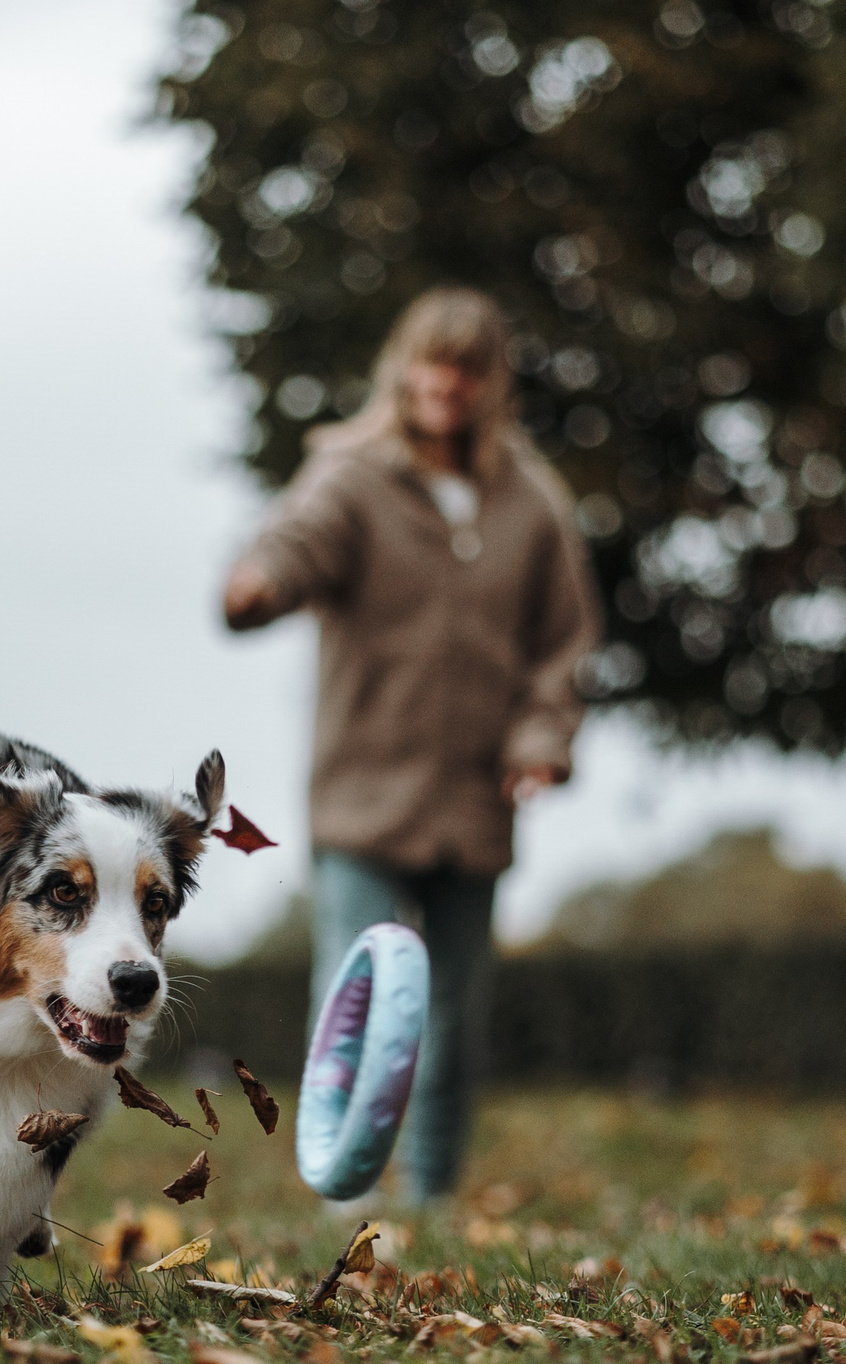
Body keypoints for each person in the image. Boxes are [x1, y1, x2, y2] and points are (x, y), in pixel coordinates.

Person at [221, 286, 601, 1206]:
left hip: (476, 795)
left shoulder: (531, 501)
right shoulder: (353, 474)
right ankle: (342, 1190)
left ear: (490, 382)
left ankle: (430, 1194)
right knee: (353, 1000)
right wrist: (262, 581)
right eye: (433, 362)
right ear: (405, 367)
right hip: (364, 788)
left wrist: (542, 738)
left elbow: (564, 639)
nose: (446, 383)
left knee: (453, 1016)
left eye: (466, 368)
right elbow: (300, 541)